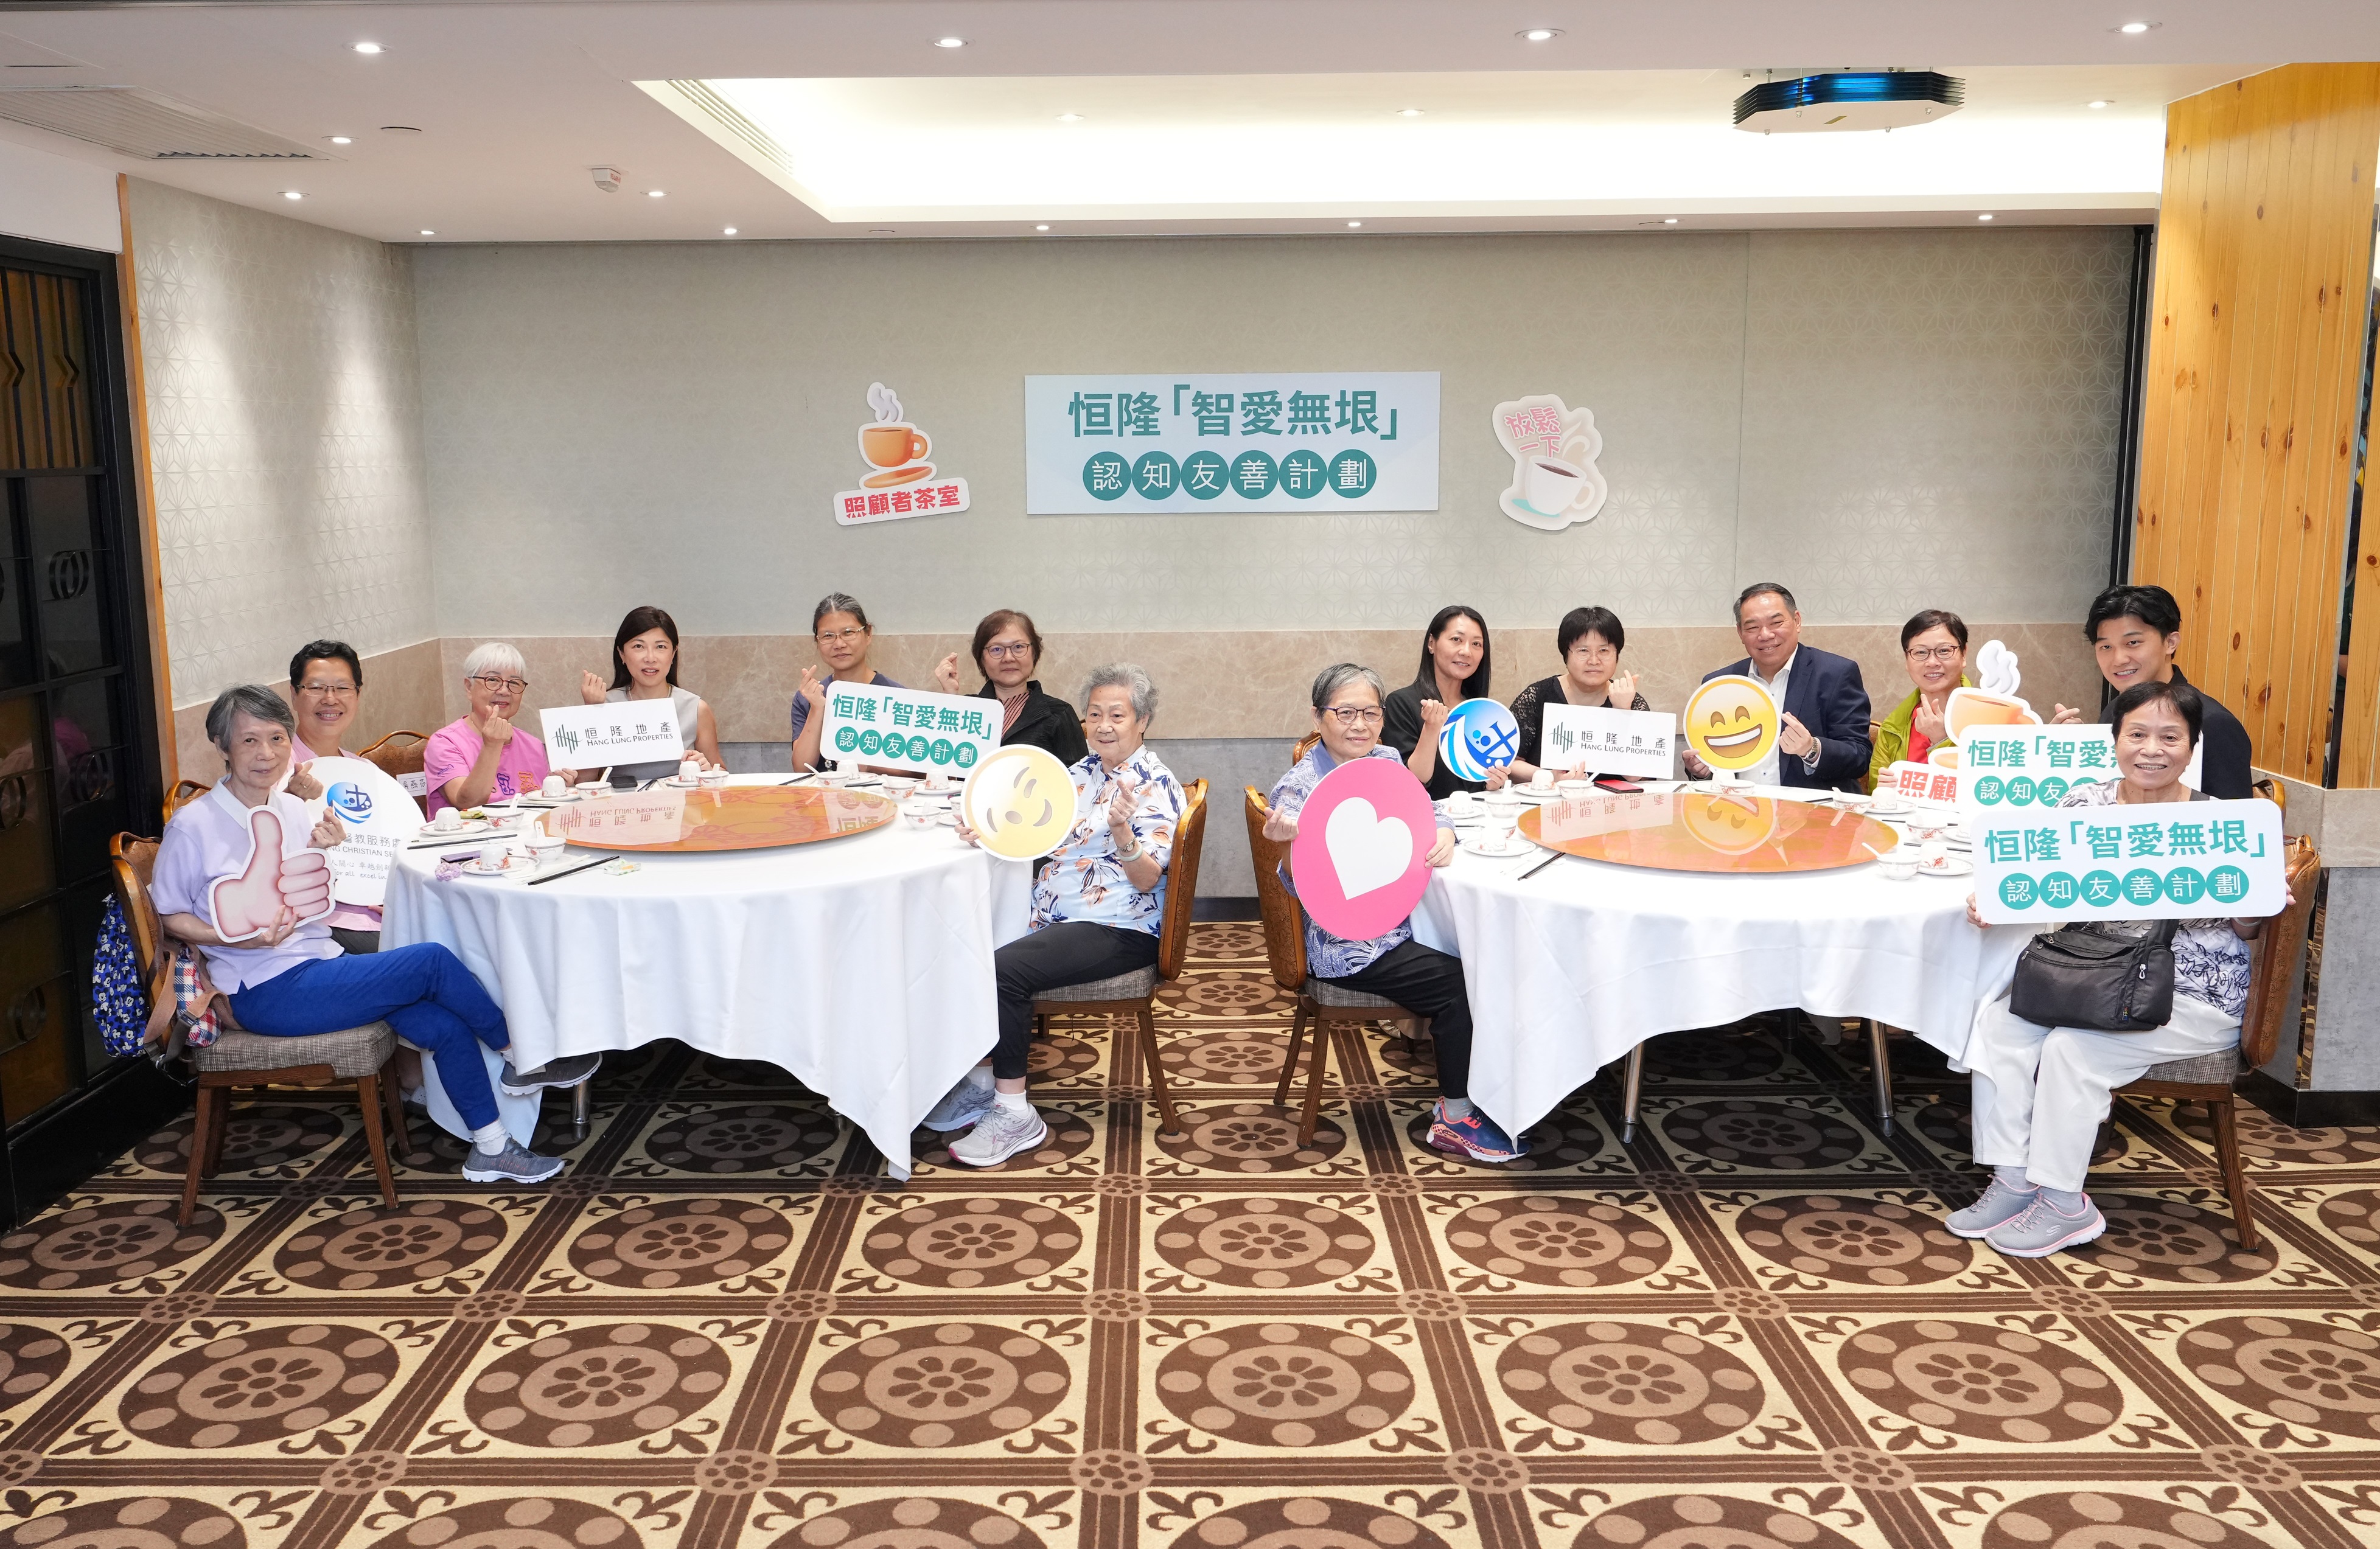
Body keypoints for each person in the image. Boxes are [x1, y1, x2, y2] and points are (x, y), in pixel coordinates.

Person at [151, 686, 595, 1183]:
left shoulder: (291, 807)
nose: (266, 754)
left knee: (442, 1026)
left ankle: (491, 1148)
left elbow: (314, 893)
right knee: (430, 960)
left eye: (277, 738)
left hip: (319, 962)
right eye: (249, 741)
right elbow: (166, 916)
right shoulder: (194, 825)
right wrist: (235, 937)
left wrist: (327, 851)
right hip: (262, 989)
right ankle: (519, 1056)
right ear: (222, 745)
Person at [1951, 678, 2283, 1257]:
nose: (2150, 748)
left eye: (2169, 737)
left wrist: (2254, 905)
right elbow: (2042, 890)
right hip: (2093, 971)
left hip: (2191, 990)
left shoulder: (2221, 822)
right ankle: (2012, 1179)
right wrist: (1997, 902)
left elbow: (2248, 930)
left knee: (2070, 1051)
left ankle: (2063, 1202)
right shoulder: (2084, 804)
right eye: (2136, 734)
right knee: (1998, 1026)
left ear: (2192, 746)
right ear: (2114, 740)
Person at [926, 664, 1185, 1166]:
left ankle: (1014, 1112)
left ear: (1143, 721)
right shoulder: (1083, 772)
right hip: (1058, 915)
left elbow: (1149, 879)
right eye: (1094, 715)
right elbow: (1028, 823)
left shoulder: (1151, 784)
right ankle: (982, 1081)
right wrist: (984, 827)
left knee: (1005, 971)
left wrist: (1125, 835)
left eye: (1118, 715)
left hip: (1118, 926)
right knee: (960, 941)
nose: (1104, 725)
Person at [1265, 663, 1524, 1163]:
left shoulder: (1384, 760)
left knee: (1489, 955)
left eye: (1370, 712)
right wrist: (1283, 849)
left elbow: (1428, 810)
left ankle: (1493, 1092)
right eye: (1345, 713)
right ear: (1319, 718)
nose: (1359, 724)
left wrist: (1445, 832)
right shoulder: (1299, 789)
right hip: (1348, 945)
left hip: (1405, 921)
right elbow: (1302, 883)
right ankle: (1454, 1117)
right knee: (1460, 983)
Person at [2051, 583, 2252, 799]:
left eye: (2133, 642)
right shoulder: (2115, 709)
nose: (2119, 660)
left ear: (2170, 643)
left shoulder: (2213, 723)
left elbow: (2238, 823)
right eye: (2106, 647)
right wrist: (2074, 746)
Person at [1683, 582, 1872, 792]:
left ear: (1797, 621)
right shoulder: (1720, 683)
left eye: (1776, 623)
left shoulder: (1836, 674)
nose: (1765, 635)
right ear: (1740, 632)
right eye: (1753, 627)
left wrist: (1812, 749)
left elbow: (1860, 756)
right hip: (1738, 810)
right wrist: (1702, 771)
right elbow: (1715, 763)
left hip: (1810, 815)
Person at [281, 640, 384, 955]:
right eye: (316, 688)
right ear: (295, 695)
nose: (330, 699)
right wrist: (289, 800)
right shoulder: (275, 766)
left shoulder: (364, 770)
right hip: (322, 918)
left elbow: (386, 840)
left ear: (358, 695)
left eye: (342, 688)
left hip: (378, 908)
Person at [1494, 605, 1650, 787]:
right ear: (1565, 655)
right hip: (1546, 808)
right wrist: (1550, 777)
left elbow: (1635, 776)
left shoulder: (1631, 700)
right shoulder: (1536, 696)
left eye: (1604, 651)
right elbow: (1508, 762)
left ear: (1617, 655)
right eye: (1583, 650)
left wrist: (1622, 713)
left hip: (1611, 809)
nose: (1594, 660)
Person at [424, 642, 578, 816]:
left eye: (514, 683)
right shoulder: (445, 743)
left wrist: (558, 787)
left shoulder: (533, 744)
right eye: (493, 680)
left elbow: (541, 809)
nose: (505, 691)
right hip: (468, 841)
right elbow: (467, 802)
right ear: (469, 687)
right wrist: (492, 745)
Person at [578, 605, 722, 785]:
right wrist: (591, 712)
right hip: (622, 809)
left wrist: (706, 769)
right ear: (622, 653)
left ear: (673, 654)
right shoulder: (603, 704)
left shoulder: (695, 708)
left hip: (681, 809)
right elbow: (584, 782)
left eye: (660, 647)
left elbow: (720, 772)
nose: (650, 658)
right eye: (639, 646)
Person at [932, 608, 1089, 765]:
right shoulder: (966, 709)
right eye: (996, 649)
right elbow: (940, 766)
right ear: (981, 659)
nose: (1008, 658)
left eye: (1018, 647)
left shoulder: (1060, 713)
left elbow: (1080, 780)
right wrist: (950, 698)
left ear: (1034, 653)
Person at [1382, 606, 1494, 801]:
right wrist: (1432, 728)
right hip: (1428, 822)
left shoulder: (1481, 710)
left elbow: (1479, 783)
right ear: (1432, 644)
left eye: (1476, 644)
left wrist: (1492, 783)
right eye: (1456, 640)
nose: (1467, 651)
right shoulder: (1400, 704)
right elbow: (1411, 781)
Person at [790, 593, 903, 773]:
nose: (839, 644)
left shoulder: (897, 696)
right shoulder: (808, 697)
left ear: (868, 634)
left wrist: (866, 766)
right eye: (828, 636)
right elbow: (802, 769)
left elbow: (916, 770)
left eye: (849, 633)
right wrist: (818, 709)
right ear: (817, 642)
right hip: (823, 800)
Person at [1866, 610, 1972, 792]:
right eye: (1921, 652)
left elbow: (1988, 789)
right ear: (1907, 661)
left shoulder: (1992, 717)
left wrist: (1941, 740)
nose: (1932, 662)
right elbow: (1875, 792)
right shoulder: (1894, 726)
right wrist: (1884, 790)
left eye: (1944, 651)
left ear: (1964, 654)